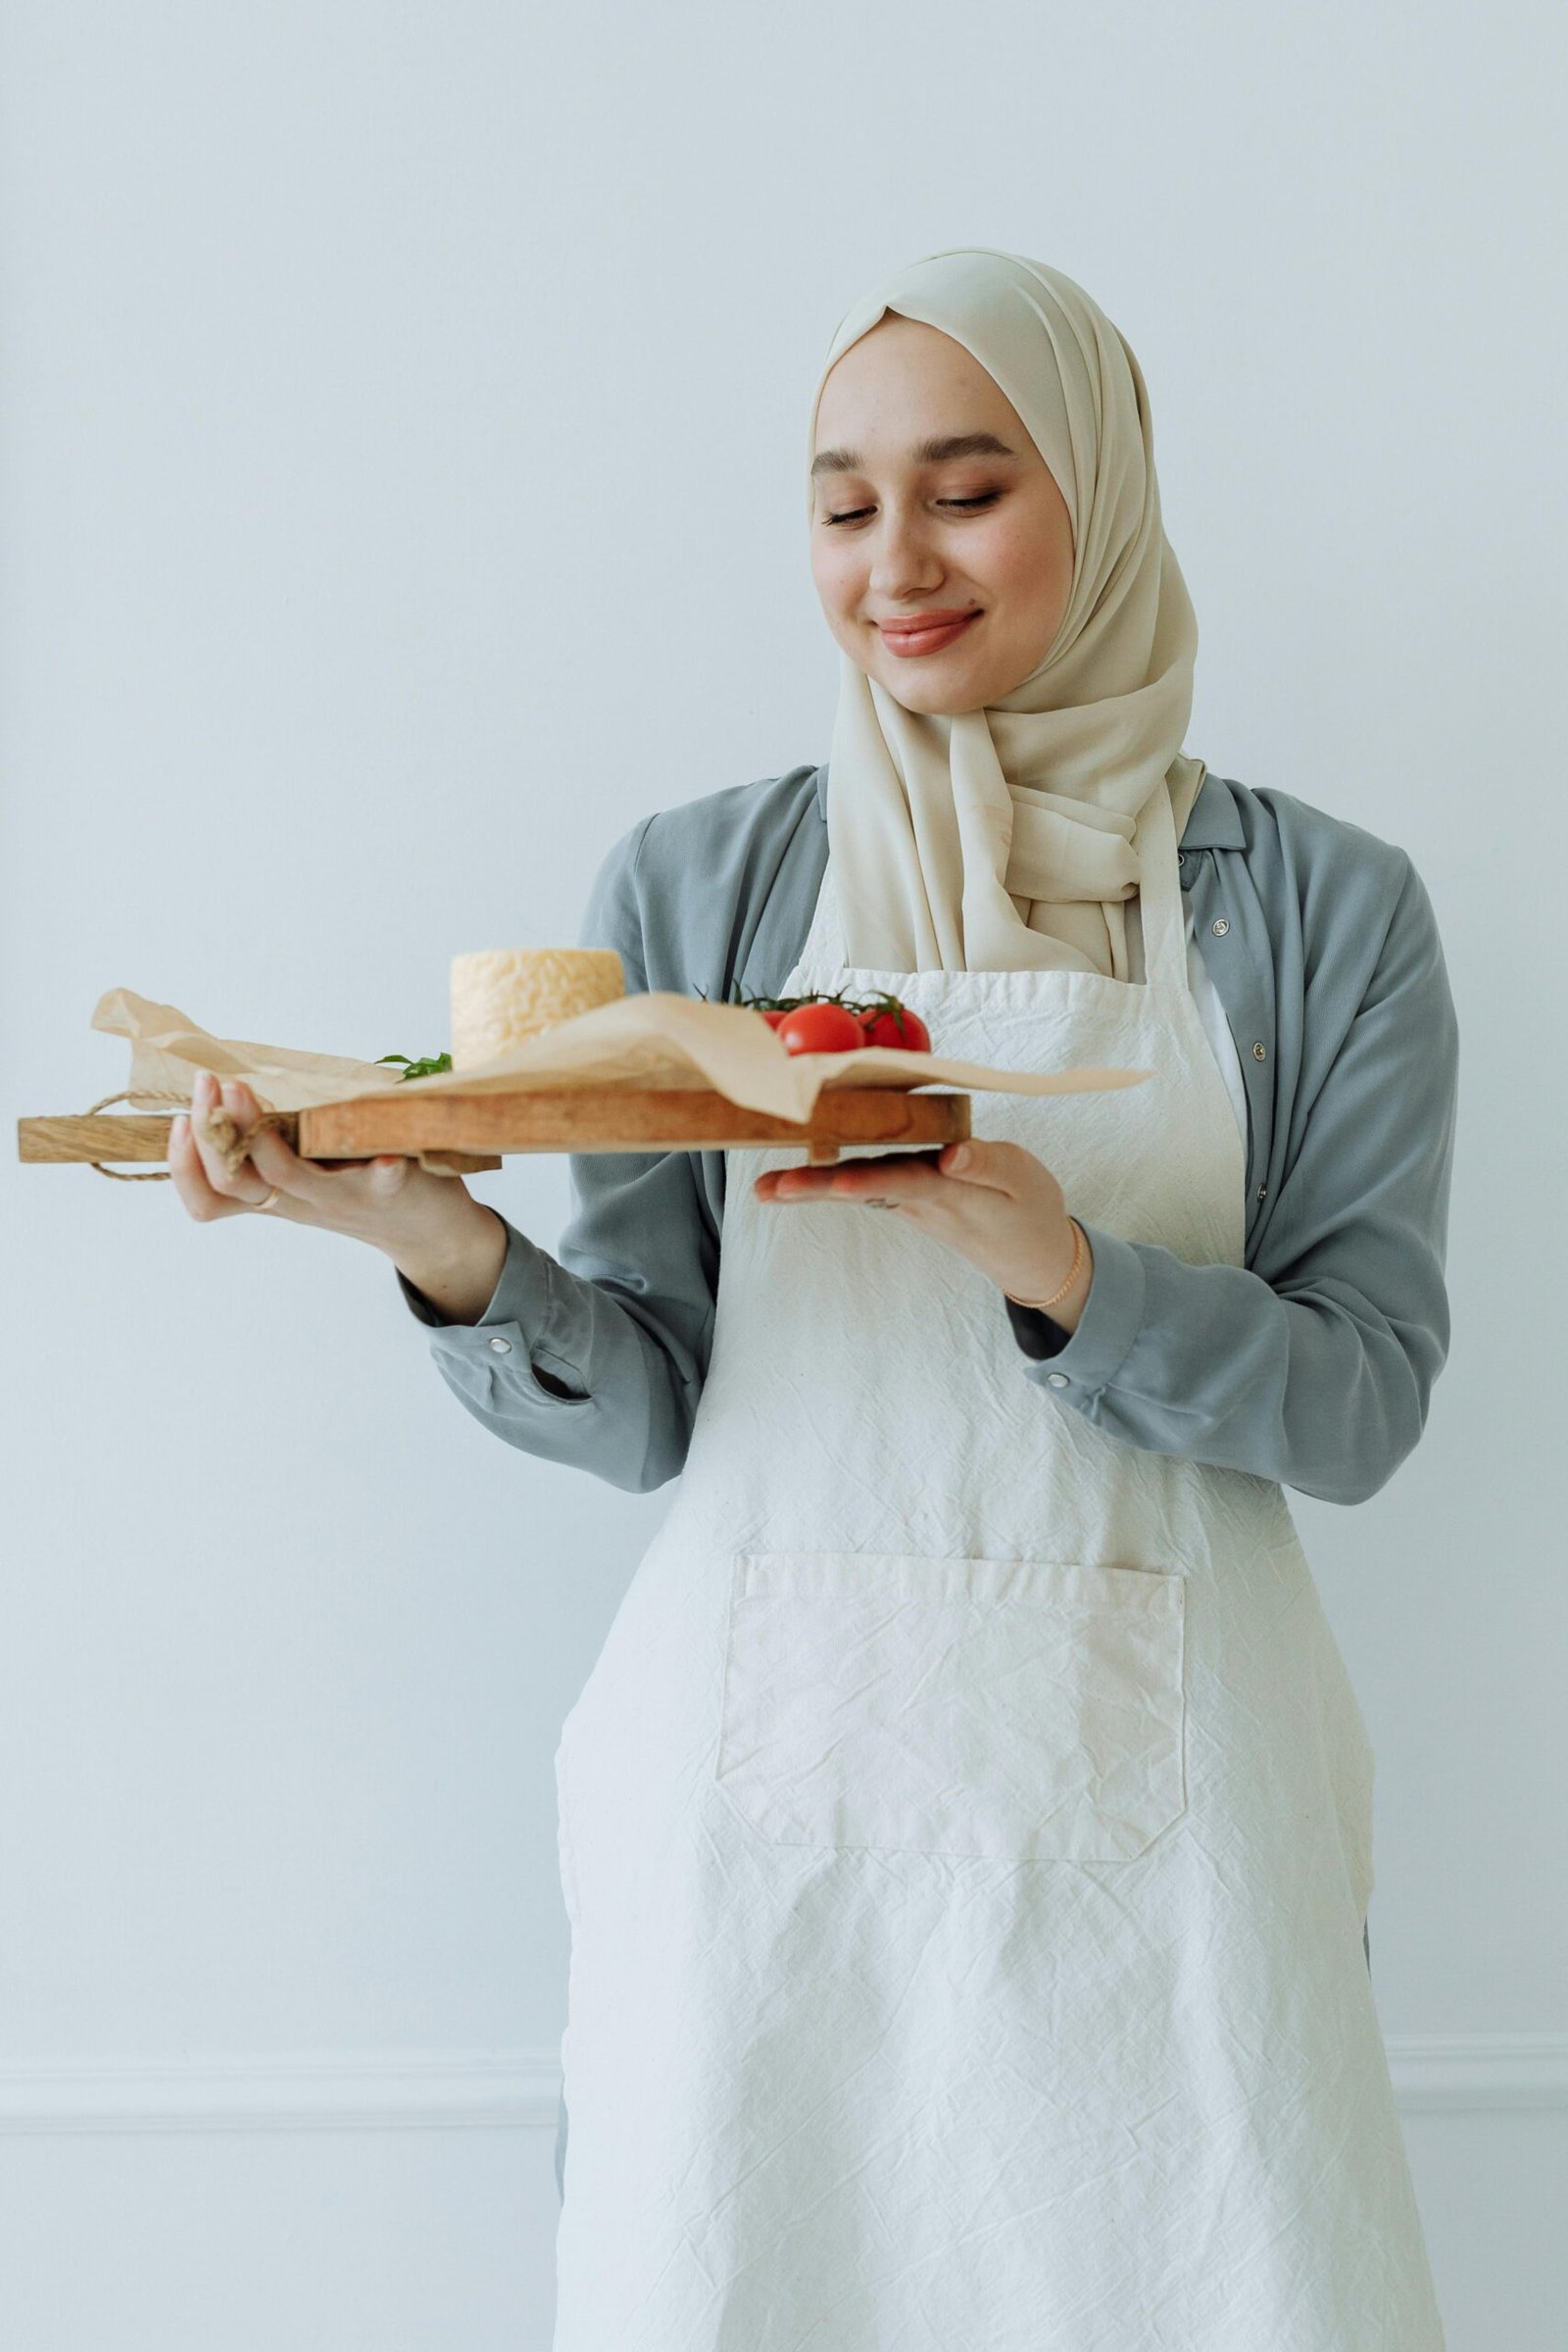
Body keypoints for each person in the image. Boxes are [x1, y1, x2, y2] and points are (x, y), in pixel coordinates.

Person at [172, 249, 1457, 2349]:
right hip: (754, 1834)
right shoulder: (704, 882)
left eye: (965, 489)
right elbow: (654, 1402)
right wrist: (429, 1245)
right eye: (841, 504)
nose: (895, 564)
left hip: (1179, 1842)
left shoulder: (1317, 910)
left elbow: (1362, 1405)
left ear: (1102, 496)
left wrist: (1052, 1266)